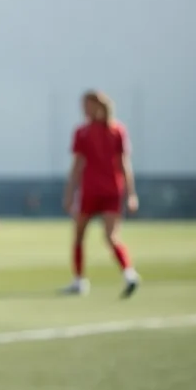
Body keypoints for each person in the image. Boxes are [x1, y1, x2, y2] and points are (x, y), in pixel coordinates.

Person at [61, 90, 140, 298]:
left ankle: (126, 274)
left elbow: (123, 164)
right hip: (96, 190)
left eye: (87, 105)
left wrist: (131, 193)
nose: (84, 110)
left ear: (97, 106)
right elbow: (78, 164)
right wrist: (70, 192)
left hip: (104, 190)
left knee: (108, 236)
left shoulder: (113, 131)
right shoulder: (84, 132)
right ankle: (83, 279)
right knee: (82, 235)